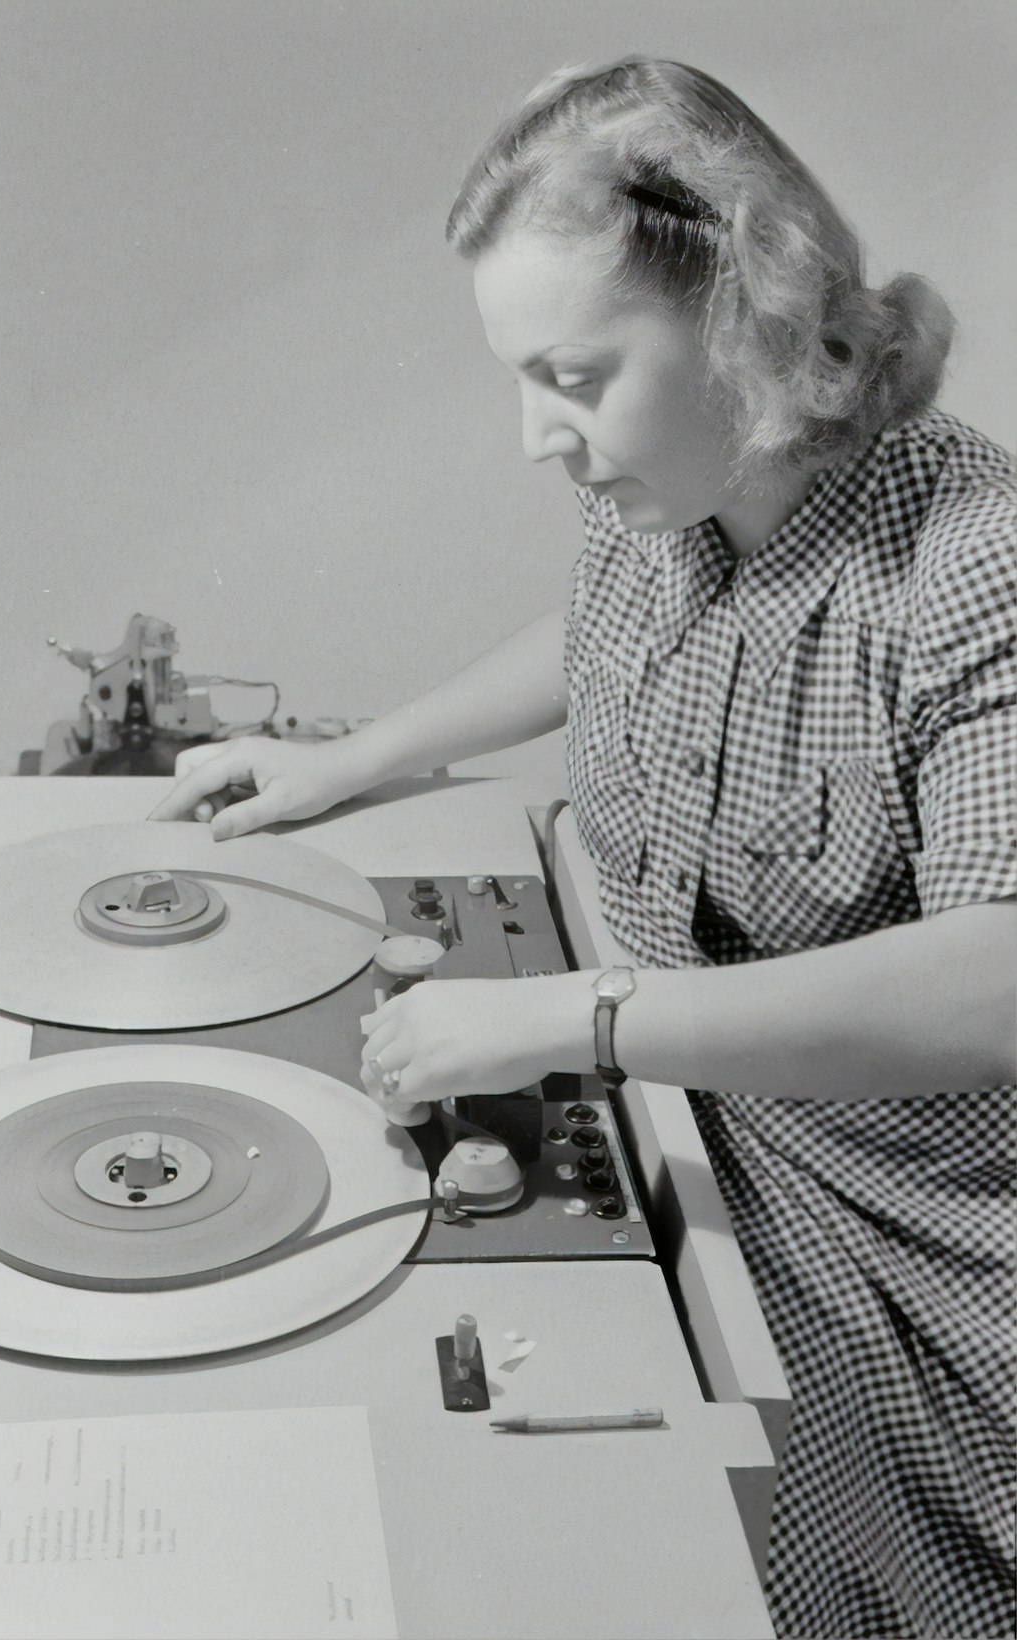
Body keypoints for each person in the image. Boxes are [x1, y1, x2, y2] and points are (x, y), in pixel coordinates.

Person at [150, 59, 1015, 1640]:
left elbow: (1001, 981)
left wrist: (579, 1015)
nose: (534, 437)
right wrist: (354, 756)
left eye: (571, 372)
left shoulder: (973, 567)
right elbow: (607, 638)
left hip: (913, 1269)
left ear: (748, 312)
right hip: (692, 1143)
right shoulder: (668, 493)